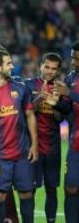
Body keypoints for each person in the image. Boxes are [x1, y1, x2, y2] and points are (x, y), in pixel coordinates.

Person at [0, 49, 38, 223]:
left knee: (26, 193)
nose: (13, 66)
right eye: (8, 63)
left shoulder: (20, 86)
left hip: (22, 154)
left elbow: (30, 115)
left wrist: (34, 144)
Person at [25, 52, 63, 223]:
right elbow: (25, 113)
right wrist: (38, 99)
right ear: (40, 66)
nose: (49, 71)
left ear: (58, 71)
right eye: (47, 67)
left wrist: (56, 106)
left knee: (51, 189)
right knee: (30, 189)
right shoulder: (29, 85)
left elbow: (61, 117)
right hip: (33, 147)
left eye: (54, 69)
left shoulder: (61, 89)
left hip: (53, 147)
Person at [52, 41, 79, 223]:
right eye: (72, 57)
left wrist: (70, 93)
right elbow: (68, 108)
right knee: (70, 188)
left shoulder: (71, 85)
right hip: (76, 142)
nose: (73, 61)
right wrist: (57, 104)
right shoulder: (71, 77)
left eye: (77, 58)